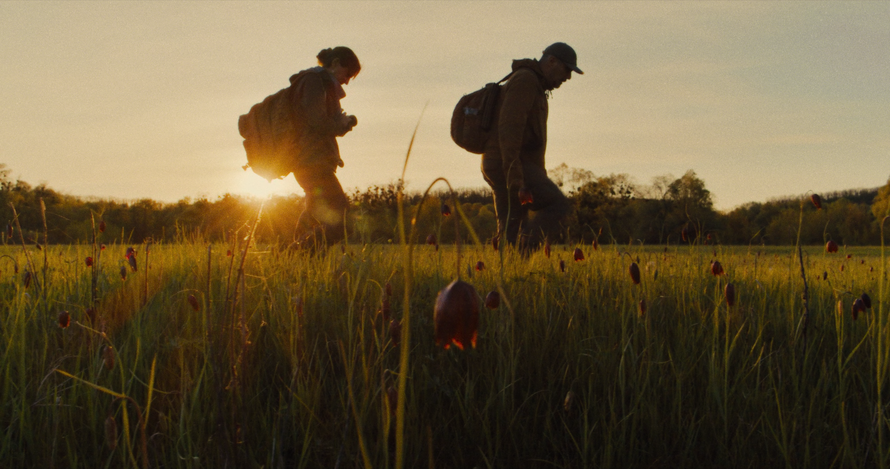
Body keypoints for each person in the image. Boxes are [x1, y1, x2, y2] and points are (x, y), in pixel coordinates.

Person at [481, 42, 582, 252]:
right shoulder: (526, 80)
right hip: (508, 163)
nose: (568, 77)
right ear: (551, 61)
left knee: (512, 228)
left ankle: (512, 271)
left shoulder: (536, 86)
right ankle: (526, 247)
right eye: (567, 69)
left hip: (503, 163)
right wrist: (515, 178)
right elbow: (509, 130)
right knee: (558, 206)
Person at [289, 46, 361, 250]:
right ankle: (292, 252)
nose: (347, 81)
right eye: (348, 74)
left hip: (313, 162)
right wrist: (340, 124)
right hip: (311, 163)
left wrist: (342, 124)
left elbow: (319, 121)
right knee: (343, 222)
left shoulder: (323, 84)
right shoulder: (314, 81)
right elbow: (317, 122)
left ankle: (296, 264)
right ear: (336, 62)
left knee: (312, 221)